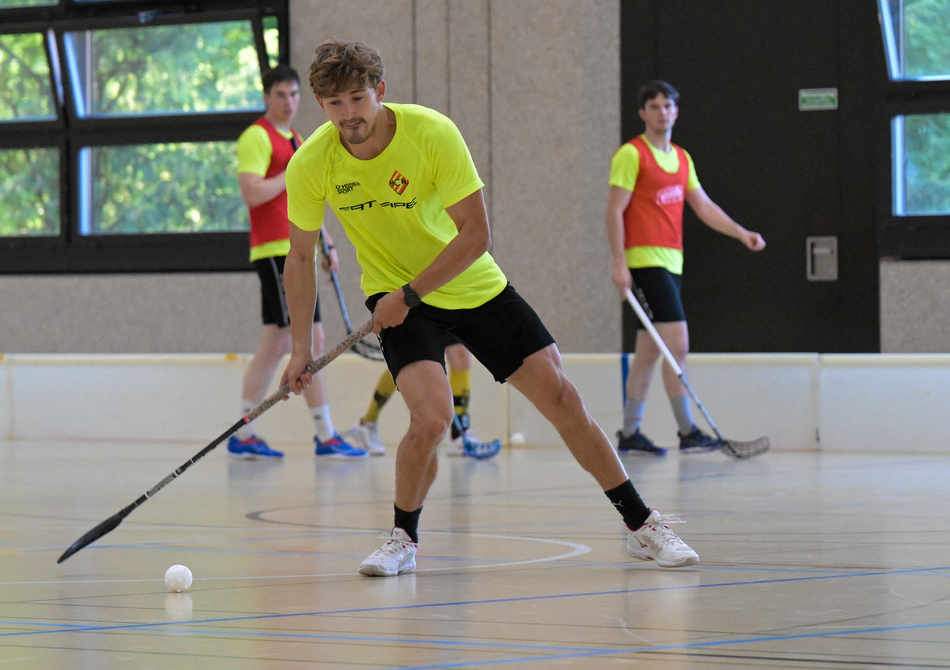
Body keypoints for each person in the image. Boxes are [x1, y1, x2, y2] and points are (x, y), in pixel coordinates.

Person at [280, 40, 698, 575]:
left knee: (563, 399)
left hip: (468, 284)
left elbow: (476, 235)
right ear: (320, 104)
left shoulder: (432, 133)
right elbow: (299, 256)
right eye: (335, 105)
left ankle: (642, 526)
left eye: (357, 99)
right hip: (398, 298)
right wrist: (299, 349)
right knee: (430, 421)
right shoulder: (313, 161)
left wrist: (408, 295)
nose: (349, 115)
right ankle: (402, 539)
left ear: (379, 92)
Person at [605, 80, 766, 457]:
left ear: (676, 111)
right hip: (644, 262)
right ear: (643, 113)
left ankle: (630, 434)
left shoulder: (681, 158)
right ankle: (688, 431)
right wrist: (619, 263)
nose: (662, 112)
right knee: (678, 344)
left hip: (672, 262)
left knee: (648, 351)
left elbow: (703, 206)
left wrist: (741, 233)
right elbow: (614, 210)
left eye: (668, 106)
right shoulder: (631, 155)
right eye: (655, 106)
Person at [230, 64, 365, 459]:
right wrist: (292, 171)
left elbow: (307, 200)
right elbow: (253, 192)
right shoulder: (258, 137)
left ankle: (263, 433)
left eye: (294, 95)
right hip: (275, 252)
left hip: (299, 248)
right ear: (266, 97)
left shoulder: (298, 139)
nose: (289, 102)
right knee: (295, 341)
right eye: (280, 95)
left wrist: (328, 243)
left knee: (279, 343)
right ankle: (321, 435)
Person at [342, 340, 502, 460]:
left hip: (445, 296)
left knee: (460, 353)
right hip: (415, 299)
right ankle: (367, 424)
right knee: (408, 358)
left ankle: (459, 434)